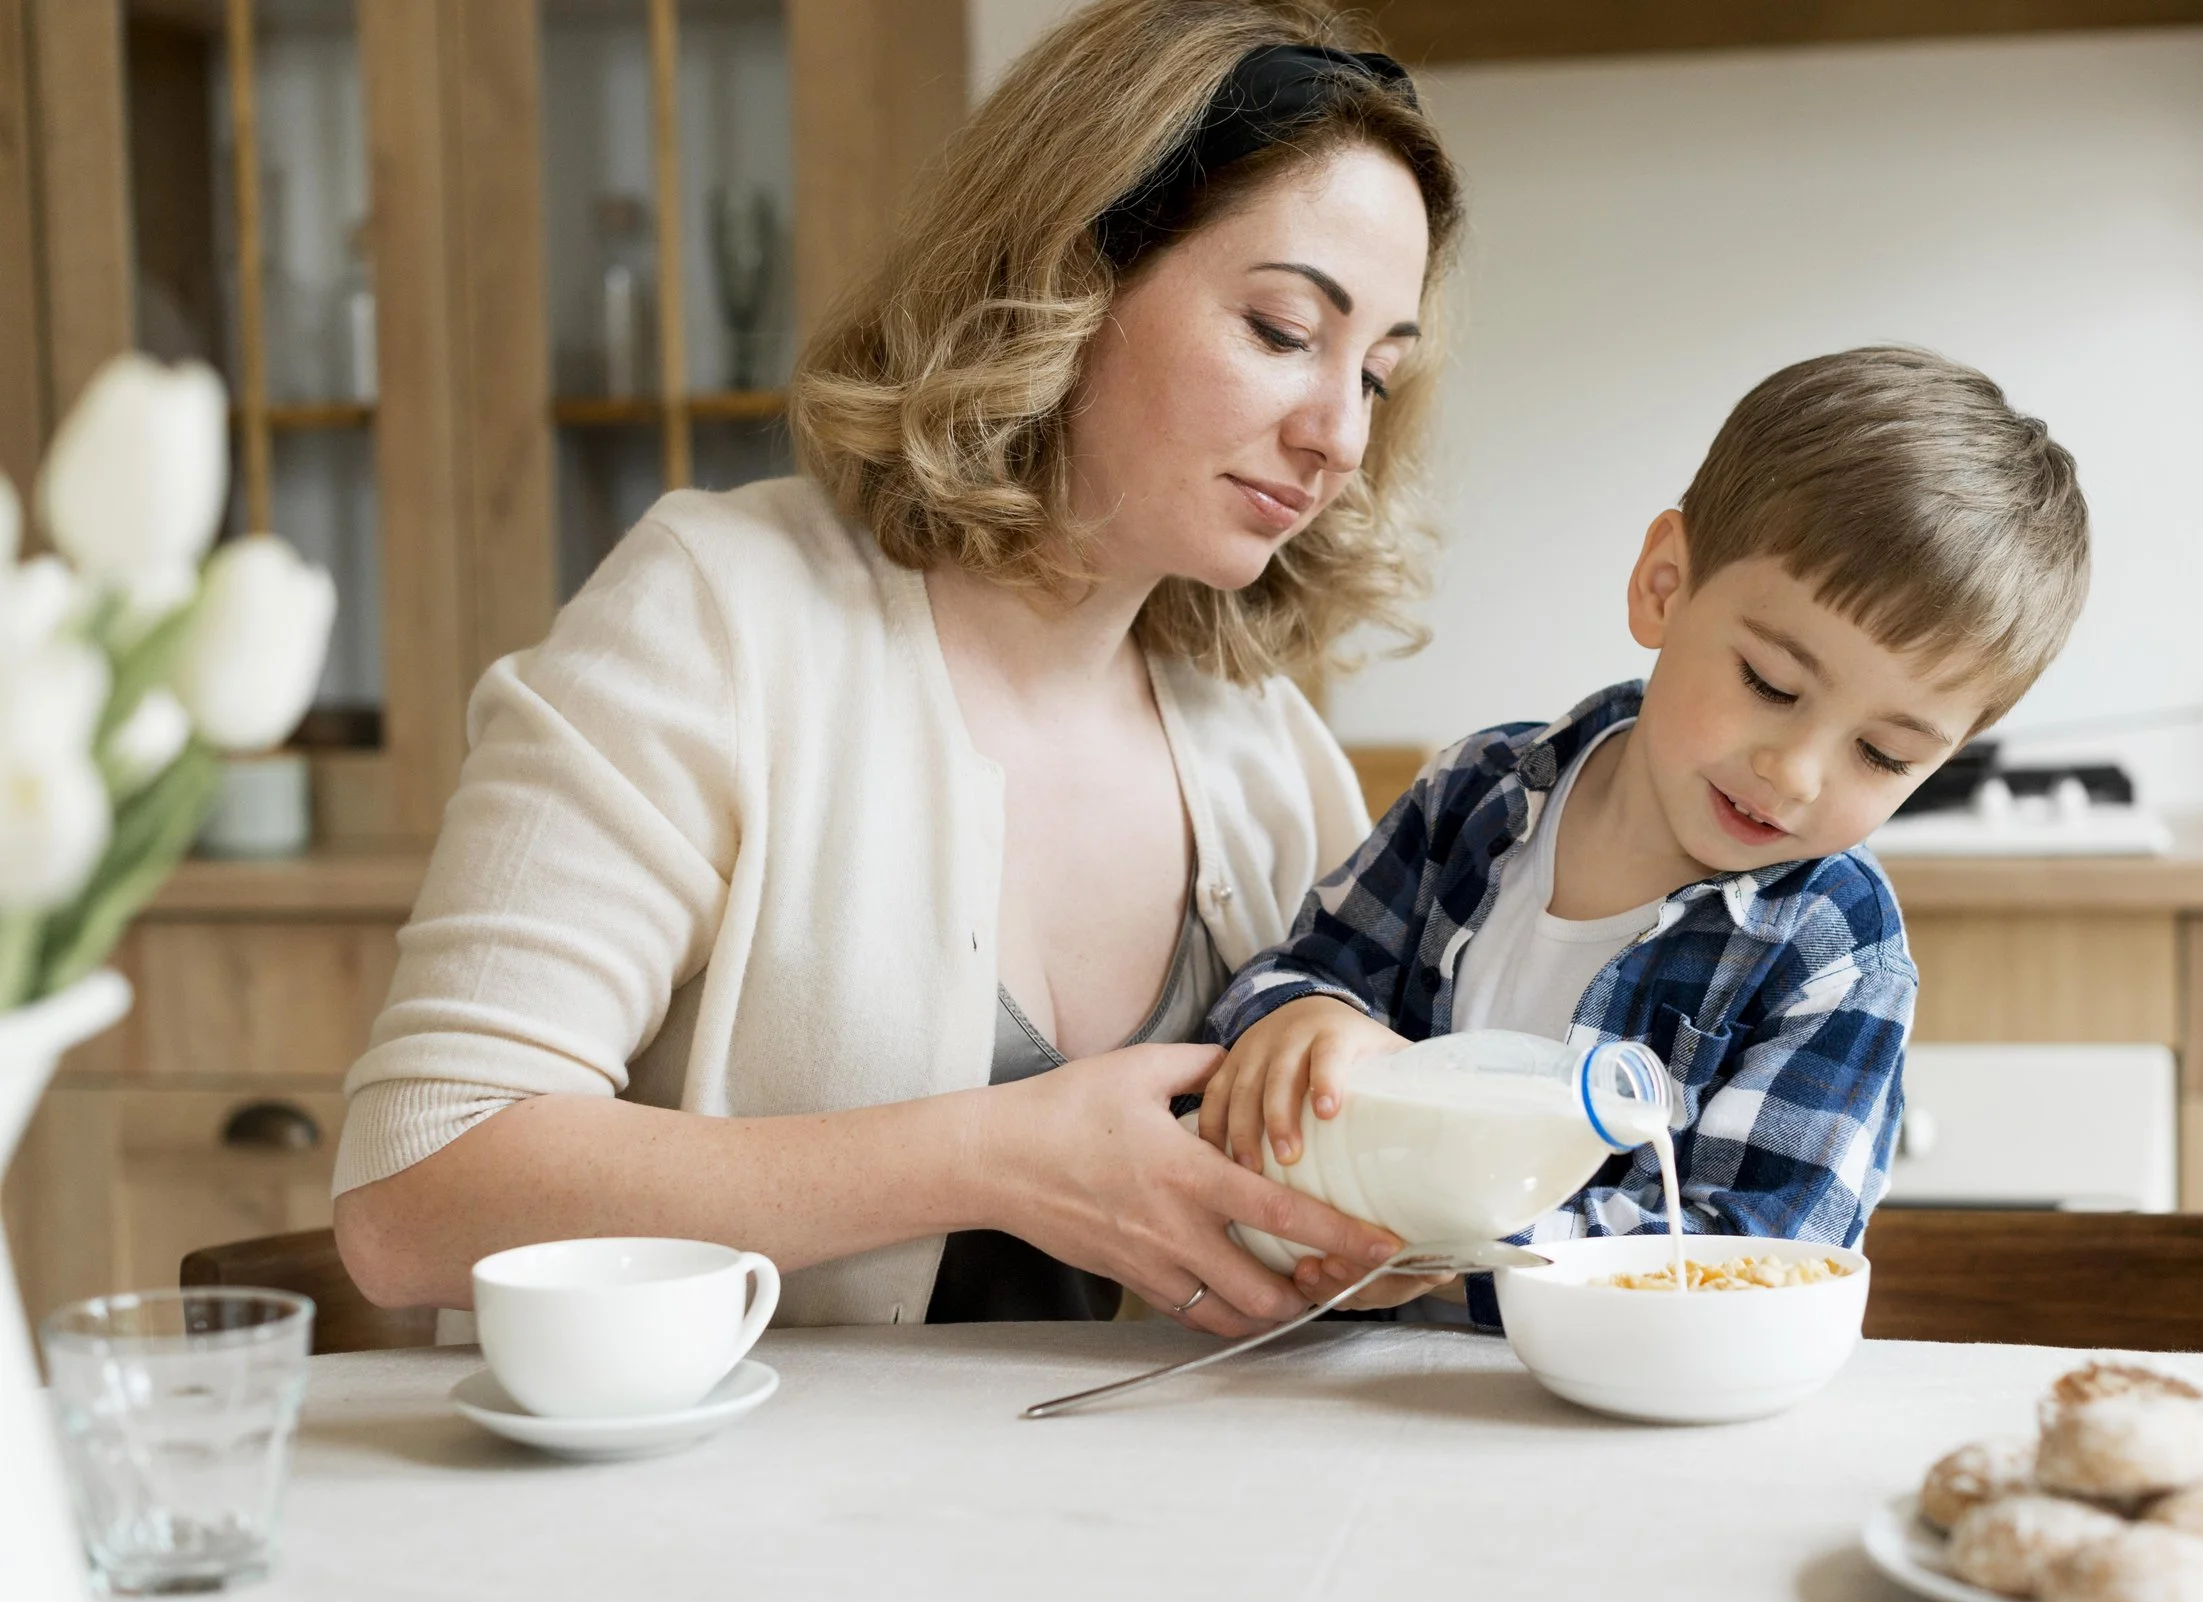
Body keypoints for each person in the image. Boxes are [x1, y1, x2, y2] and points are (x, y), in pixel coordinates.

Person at [331, 0, 1465, 1337]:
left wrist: (1384, 1228)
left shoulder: (1264, 748)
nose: (1338, 434)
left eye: (1378, 375)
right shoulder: (720, 620)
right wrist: (996, 1158)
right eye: (1283, 329)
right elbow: (412, 1190)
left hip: (1142, 1526)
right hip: (727, 1528)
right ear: (1072, 273)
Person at [1195, 346, 2091, 1319]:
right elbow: (1289, 982)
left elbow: (1753, 1259)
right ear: (1664, 585)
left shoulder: (1837, 953)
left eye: (1882, 755)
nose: (1794, 774)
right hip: (1362, 1395)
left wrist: (1470, 1247)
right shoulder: (1478, 795)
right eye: (1770, 686)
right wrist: (1299, 1018)